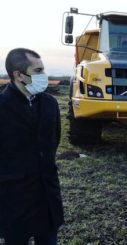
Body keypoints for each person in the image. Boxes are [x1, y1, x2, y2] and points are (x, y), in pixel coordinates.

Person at [0, 48, 64, 244]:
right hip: (13, 198)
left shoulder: (50, 104)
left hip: (46, 196)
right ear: (18, 75)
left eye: (43, 70)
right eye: (38, 71)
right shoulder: (2, 107)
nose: (43, 76)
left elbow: (55, 140)